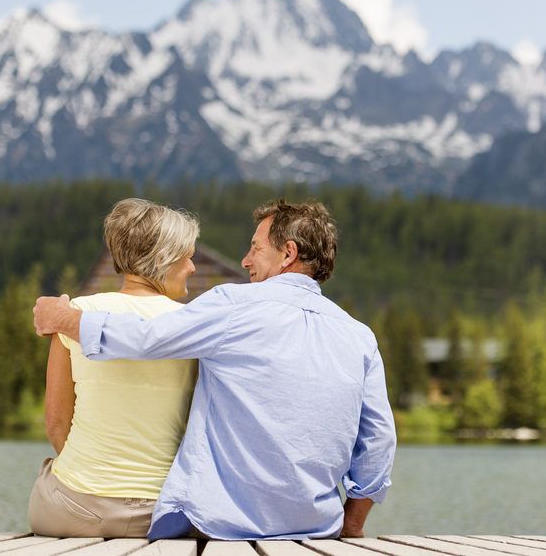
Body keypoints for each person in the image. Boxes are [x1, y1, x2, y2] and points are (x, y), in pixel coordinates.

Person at [33, 199, 396, 540]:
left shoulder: (234, 305)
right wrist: (351, 524)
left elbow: (146, 336)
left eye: (256, 248)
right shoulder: (360, 337)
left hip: (226, 528)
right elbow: (378, 442)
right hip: (319, 528)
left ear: (288, 253)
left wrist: (64, 318)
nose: (244, 260)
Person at [27, 198, 200, 538]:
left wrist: (98, 484)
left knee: (51, 474)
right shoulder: (192, 326)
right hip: (162, 515)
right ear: (164, 258)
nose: (193, 267)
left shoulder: (76, 314)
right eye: (187, 256)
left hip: (71, 512)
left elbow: (56, 424)